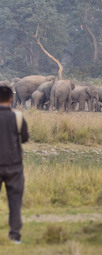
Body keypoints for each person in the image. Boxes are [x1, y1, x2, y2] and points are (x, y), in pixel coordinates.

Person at [0, 86, 29, 244]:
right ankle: (15, 236)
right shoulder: (17, 117)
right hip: (14, 166)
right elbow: (24, 138)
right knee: (15, 201)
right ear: (11, 99)